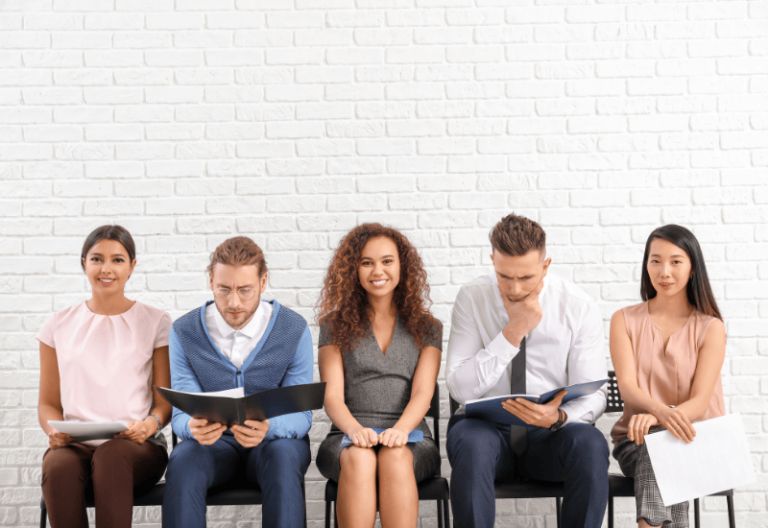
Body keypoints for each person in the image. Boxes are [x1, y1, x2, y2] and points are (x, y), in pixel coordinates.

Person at [446, 213, 610, 528]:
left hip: (550, 435)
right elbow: (460, 389)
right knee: (470, 443)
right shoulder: (472, 297)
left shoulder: (578, 306)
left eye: (526, 277)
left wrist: (559, 417)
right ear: (492, 260)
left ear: (545, 266)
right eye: (505, 276)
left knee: (590, 444)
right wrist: (513, 333)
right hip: (486, 433)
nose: (516, 288)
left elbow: (594, 392)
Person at [162, 236, 313, 528]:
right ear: (210, 281)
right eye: (224, 289)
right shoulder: (184, 332)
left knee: (283, 457)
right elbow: (181, 414)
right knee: (183, 461)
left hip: (273, 446)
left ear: (263, 281)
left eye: (245, 290)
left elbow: (302, 415)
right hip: (213, 448)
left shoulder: (294, 329)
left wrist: (270, 427)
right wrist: (190, 427)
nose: (234, 303)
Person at [37, 225, 172, 528]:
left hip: (138, 447)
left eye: (118, 260)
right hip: (76, 445)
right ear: (84, 262)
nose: (106, 269)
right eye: (97, 259)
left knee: (111, 458)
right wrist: (53, 431)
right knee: (58, 468)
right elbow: (47, 403)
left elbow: (164, 402)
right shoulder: (57, 325)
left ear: (132, 267)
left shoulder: (156, 321)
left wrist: (149, 425)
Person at [315, 223, 442, 528]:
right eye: (366, 262)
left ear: (402, 266)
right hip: (347, 433)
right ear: (353, 270)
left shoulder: (429, 327)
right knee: (360, 457)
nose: (377, 271)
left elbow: (423, 394)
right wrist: (356, 431)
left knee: (394, 457)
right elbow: (331, 397)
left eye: (387, 261)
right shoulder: (333, 325)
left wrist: (400, 430)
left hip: (412, 436)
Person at [610, 225, 726, 528]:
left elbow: (700, 403)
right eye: (655, 260)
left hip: (697, 442)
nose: (664, 271)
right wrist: (658, 415)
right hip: (634, 442)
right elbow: (627, 387)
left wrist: (656, 420)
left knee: (662, 446)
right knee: (659, 447)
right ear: (646, 264)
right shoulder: (624, 320)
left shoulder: (711, 327)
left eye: (676, 261)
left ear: (692, 268)